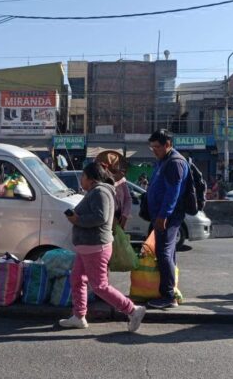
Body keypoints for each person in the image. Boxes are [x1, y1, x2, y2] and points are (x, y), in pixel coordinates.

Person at [59, 162, 146, 332]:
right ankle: (79, 316)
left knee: (99, 286)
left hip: (95, 246)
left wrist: (77, 220)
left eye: (83, 176)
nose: (81, 179)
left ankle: (133, 310)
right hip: (87, 247)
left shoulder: (100, 192)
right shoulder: (95, 191)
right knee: (77, 279)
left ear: (91, 179)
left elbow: (101, 217)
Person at [145, 129, 190, 309]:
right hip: (160, 214)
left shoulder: (174, 162)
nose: (154, 150)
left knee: (163, 252)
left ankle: (168, 296)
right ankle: (171, 291)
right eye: (152, 147)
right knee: (167, 253)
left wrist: (163, 215)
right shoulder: (163, 161)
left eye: (157, 147)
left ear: (168, 144)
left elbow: (173, 192)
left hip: (168, 216)